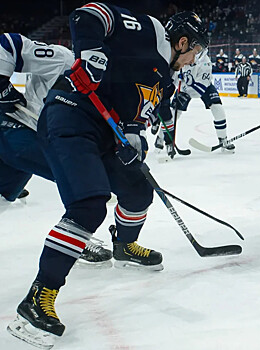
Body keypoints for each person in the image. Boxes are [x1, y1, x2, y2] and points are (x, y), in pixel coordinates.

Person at [7, 4, 209, 348]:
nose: (194, 60)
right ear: (182, 42)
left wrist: (133, 136)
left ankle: (124, 245)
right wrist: (92, 54)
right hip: (69, 116)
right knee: (89, 204)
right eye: (196, 52)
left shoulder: (164, 78)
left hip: (103, 131)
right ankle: (39, 296)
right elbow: (90, 14)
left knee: (137, 189)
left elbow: (134, 114)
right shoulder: (152, 32)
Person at [0, 33, 112, 266]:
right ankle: (76, 237)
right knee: (82, 183)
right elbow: (9, 43)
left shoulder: (108, 83)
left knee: (3, 194)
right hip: (18, 128)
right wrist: (1, 86)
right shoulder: (63, 59)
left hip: (22, 138)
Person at [154, 51, 235, 153]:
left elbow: (201, 87)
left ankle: (223, 140)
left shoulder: (205, 62)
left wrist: (185, 95)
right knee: (173, 112)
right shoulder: (184, 54)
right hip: (185, 87)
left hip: (204, 86)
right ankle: (162, 138)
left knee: (217, 109)